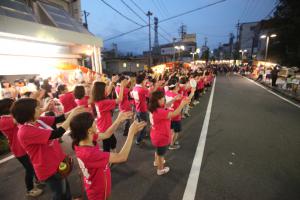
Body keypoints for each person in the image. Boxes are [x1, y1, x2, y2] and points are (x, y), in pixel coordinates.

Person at [11, 98, 84, 200]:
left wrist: (75, 110)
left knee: (64, 185)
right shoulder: (25, 131)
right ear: (28, 112)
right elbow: (57, 133)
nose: (40, 109)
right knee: (59, 192)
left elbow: (58, 119)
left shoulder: (37, 121)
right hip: (48, 167)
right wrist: (72, 115)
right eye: (37, 108)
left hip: (56, 161)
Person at [70, 112, 146, 200]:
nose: (96, 121)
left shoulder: (83, 139)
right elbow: (122, 156)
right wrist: (131, 133)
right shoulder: (89, 154)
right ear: (89, 130)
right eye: (93, 121)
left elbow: (107, 134)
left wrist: (118, 120)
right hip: (99, 192)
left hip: (95, 183)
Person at [0, 98, 43, 197]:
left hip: (23, 147)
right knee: (29, 169)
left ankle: (38, 180)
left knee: (33, 164)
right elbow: (21, 119)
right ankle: (30, 189)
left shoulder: (8, 118)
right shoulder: (5, 120)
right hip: (19, 150)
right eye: (13, 104)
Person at [149, 91, 190, 175]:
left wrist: (174, 99)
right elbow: (174, 113)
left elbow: (166, 105)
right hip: (161, 136)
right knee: (161, 155)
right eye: (162, 98)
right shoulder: (160, 112)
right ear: (157, 101)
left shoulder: (155, 108)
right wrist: (182, 104)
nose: (164, 99)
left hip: (155, 134)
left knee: (158, 151)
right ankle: (160, 169)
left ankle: (156, 162)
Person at [92, 79, 126, 152]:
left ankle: (113, 153)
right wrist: (122, 87)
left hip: (102, 125)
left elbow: (107, 93)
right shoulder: (104, 102)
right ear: (101, 91)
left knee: (112, 141)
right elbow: (119, 100)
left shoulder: (97, 100)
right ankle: (108, 160)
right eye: (105, 88)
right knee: (107, 145)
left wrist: (112, 82)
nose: (107, 89)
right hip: (105, 128)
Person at [131, 74, 153, 145]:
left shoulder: (135, 88)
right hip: (142, 109)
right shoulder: (142, 89)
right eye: (145, 80)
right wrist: (150, 86)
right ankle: (139, 140)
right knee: (143, 125)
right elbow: (149, 94)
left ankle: (139, 135)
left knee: (140, 123)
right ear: (142, 81)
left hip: (138, 108)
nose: (146, 81)